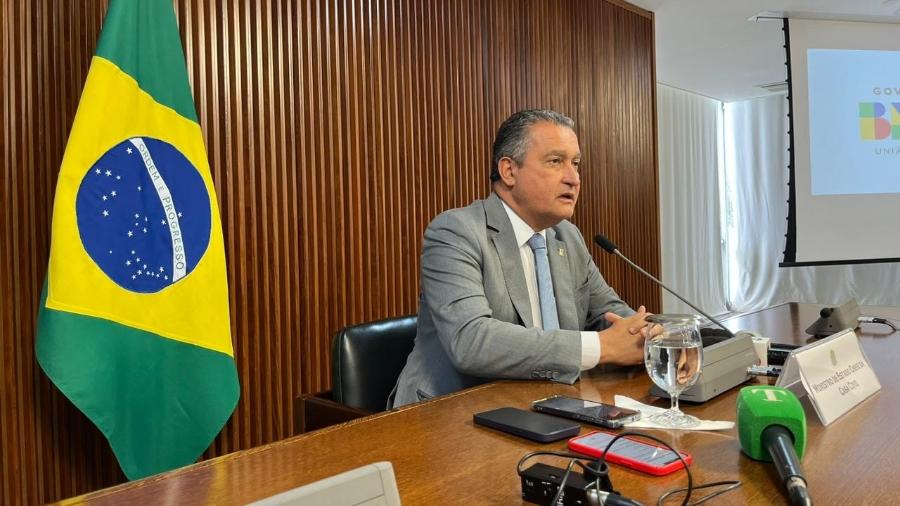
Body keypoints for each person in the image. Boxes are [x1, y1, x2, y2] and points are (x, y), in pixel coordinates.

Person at [390, 109, 649, 408]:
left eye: (576, 164)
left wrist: (657, 338)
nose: (574, 179)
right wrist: (600, 346)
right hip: (451, 414)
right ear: (509, 171)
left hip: (546, 406)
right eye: (556, 162)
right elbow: (471, 341)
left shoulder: (568, 237)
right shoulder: (456, 231)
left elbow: (613, 314)